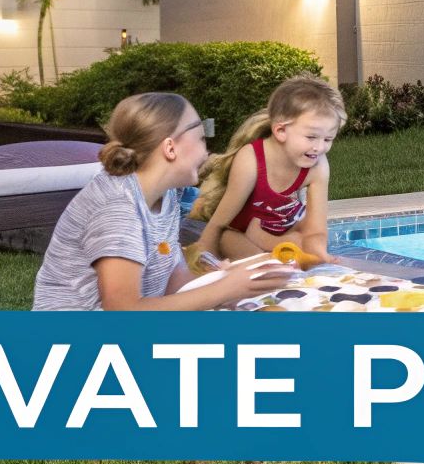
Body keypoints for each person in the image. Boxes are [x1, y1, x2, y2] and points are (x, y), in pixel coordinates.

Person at [33, 92, 294, 311]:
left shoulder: (165, 194)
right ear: (170, 148)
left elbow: (176, 282)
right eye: (202, 139)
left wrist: (228, 281)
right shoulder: (118, 207)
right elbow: (123, 311)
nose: (206, 152)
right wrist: (223, 288)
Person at [191, 75, 345, 264]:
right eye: (311, 137)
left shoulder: (318, 165)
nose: (320, 148)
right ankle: (269, 258)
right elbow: (219, 223)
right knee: (228, 240)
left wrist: (321, 255)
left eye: (328, 139)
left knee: (306, 237)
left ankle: (275, 247)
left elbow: (317, 229)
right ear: (280, 131)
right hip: (240, 232)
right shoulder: (251, 159)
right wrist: (203, 256)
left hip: (280, 229)